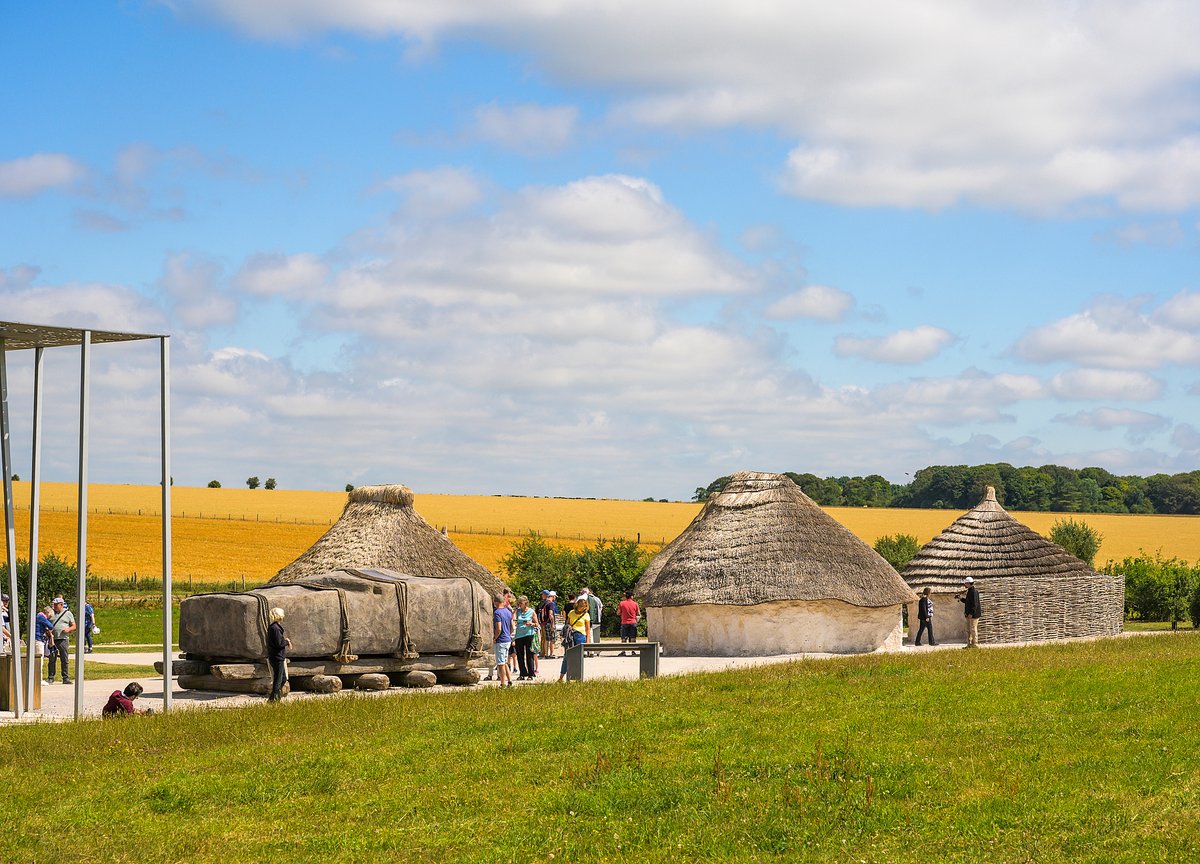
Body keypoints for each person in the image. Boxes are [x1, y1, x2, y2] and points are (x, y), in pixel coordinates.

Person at [558, 597, 591, 682]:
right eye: (582, 606)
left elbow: (587, 629)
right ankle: (561, 677)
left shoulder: (586, 615)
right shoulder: (571, 613)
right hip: (571, 636)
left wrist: (587, 641)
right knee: (567, 657)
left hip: (581, 636)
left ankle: (577, 678)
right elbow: (567, 624)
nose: (583, 608)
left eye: (584, 606)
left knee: (578, 658)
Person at [48, 596, 75, 684]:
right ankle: (51, 677)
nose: (55, 606)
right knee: (52, 659)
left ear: (61, 605)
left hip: (63, 639)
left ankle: (65, 677)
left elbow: (74, 625)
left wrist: (68, 629)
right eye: (54, 604)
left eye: (56, 605)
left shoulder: (68, 613)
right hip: (53, 639)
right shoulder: (50, 613)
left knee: (64, 659)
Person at [266, 607, 291, 702]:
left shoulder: (274, 627)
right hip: (277, 657)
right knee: (278, 679)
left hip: (276, 656)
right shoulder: (275, 628)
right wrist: (286, 641)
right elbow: (279, 643)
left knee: (283, 678)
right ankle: (274, 700)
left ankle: (273, 698)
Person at [512, 595, 539, 680]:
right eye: (518, 602)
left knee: (529, 654)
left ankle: (531, 674)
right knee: (520, 655)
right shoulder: (517, 611)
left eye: (521, 602)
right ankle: (522, 673)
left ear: (526, 603)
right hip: (519, 635)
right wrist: (516, 610)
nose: (519, 604)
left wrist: (531, 623)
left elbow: (537, 624)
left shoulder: (531, 611)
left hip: (529, 634)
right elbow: (513, 619)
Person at [492, 593, 514, 688]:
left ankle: (502, 683)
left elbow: (499, 628)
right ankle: (510, 681)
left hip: (500, 640)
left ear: (495, 602)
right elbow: (512, 627)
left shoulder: (497, 612)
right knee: (505, 662)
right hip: (507, 639)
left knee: (500, 663)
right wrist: (508, 634)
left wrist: (495, 638)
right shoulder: (508, 612)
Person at [957, 576, 982, 648]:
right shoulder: (969, 591)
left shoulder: (974, 592)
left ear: (968, 583)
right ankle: (969, 644)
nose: (964, 585)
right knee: (968, 629)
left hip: (973, 615)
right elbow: (967, 602)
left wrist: (971, 613)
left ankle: (975, 644)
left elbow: (975, 604)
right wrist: (960, 598)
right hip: (968, 614)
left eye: (965, 583)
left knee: (973, 629)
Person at [536, 590, 558, 659]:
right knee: (552, 639)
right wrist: (553, 624)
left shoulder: (543, 603)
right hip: (549, 623)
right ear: (553, 596)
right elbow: (551, 614)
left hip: (543, 623)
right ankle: (551, 654)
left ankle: (545, 653)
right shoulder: (550, 604)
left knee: (546, 639)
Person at [617, 590, 640, 654]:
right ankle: (633, 651)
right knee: (633, 637)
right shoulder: (635, 604)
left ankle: (623, 651)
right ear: (631, 596)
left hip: (624, 622)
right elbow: (638, 613)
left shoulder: (622, 603)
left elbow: (618, 613)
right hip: (633, 622)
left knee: (623, 638)